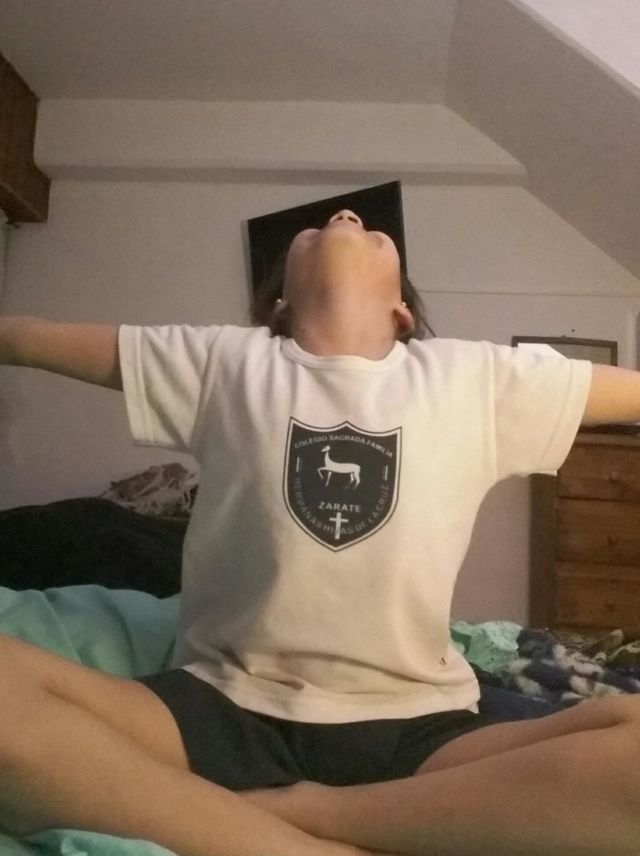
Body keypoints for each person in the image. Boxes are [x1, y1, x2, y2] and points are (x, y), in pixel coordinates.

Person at [0, 208, 640, 856]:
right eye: (314, 231)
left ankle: (303, 814)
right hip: (220, 706)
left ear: (402, 313)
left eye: (370, 229)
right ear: (279, 305)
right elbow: (29, 338)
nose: (346, 214)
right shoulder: (223, 360)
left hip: (415, 726)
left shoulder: (477, 379)